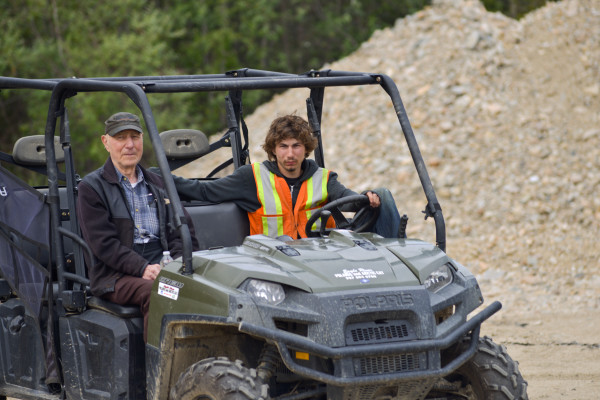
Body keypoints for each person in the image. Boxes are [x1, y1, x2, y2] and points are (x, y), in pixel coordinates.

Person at [170, 114, 401, 239]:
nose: (290, 154)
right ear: (273, 149)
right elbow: (204, 191)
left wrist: (367, 198)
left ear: (306, 148)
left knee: (382, 195)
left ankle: (397, 264)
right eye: (283, 146)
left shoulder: (323, 178)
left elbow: (349, 200)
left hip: (322, 257)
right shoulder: (252, 177)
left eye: (296, 146)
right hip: (275, 261)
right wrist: (158, 176)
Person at [77, 112, 199, 342]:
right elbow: (104, 246)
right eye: (121, 137)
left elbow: (182, 229)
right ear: (106, 142)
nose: (129, 145)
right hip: (115, 275)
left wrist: (180, 262)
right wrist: (143, 268)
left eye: (135, 136)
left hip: (161, 263)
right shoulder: (92, 188)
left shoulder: (158, 182)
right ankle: (158, 372)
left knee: (212, 291)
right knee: (160, 292)